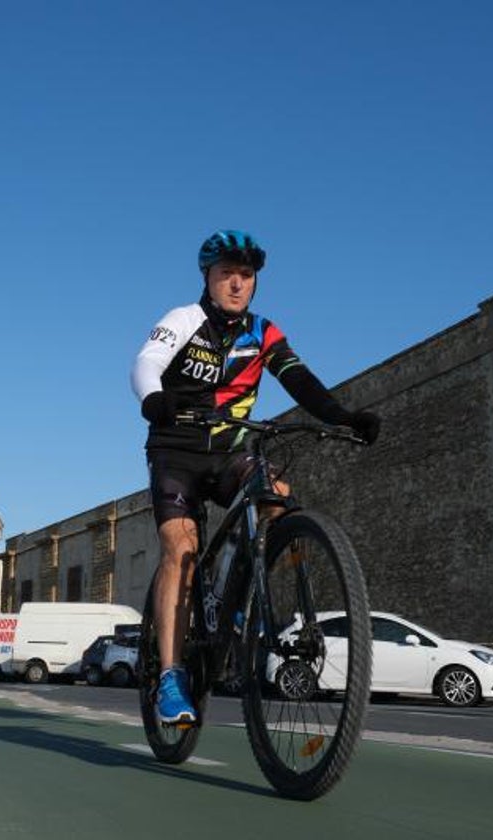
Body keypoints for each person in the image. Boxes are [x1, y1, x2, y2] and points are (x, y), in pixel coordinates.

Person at [130, 230, 380, 725]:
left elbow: (299, 378)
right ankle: (172, 676)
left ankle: (238, 589)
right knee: (180, 548)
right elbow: (146, 363)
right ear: (209, 276)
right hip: (177, 452)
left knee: (277, 498)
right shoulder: (184, 320)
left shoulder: (263, 333)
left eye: (246, 277)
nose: (238, 284)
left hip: (229, 451)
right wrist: (154, 400)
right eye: (228, 274)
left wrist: (342, 416)